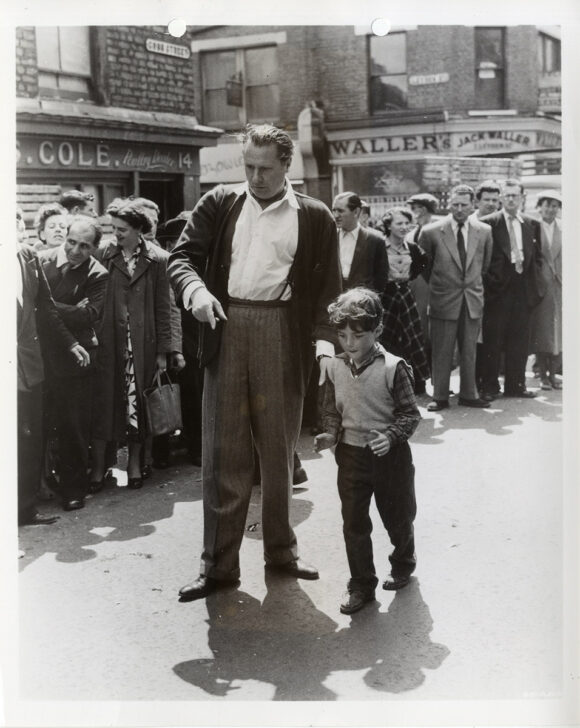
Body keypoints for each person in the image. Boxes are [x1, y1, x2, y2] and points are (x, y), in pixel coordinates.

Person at [168, 123, 342, 601]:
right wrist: (196, 291)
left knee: (279, 447)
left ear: (288, 165)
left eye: (266, 168)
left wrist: (325, 346)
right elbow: (180, 258)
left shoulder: (314, 215)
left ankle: (281, 553)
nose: (256, 177)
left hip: (281, 328)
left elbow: (329, 290)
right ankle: (218, 566)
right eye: (248, 166)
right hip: (225, 325)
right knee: (223, 451)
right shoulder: (220, 202)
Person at [315, 287, 420, 614]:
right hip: (350, 457)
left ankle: (403, 560)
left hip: (390, 458)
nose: (349, 342)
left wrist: (390, 437)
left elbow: (410, 415)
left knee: (397, 516)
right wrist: (330, 434)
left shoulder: (394, 367)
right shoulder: (334, 366)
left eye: (358, 335)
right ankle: (361, 584)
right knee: (353, 522)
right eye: (342, 334)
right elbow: (332, 409)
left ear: (377, 331)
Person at [90, 198, 173, 490]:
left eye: (123, 229)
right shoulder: (104, 255)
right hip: (108, 344)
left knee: (138, 403)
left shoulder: (159, 259)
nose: (117, 234)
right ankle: (99, 469)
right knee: (105, 404)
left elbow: (165, 308)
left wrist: (164, 351)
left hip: (142, 346)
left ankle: (135, 465)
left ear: (139, 229)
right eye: (114, 228)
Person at [17, 216, 90, 526]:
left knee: (31, 434)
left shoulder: (26, 256)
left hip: (32, 360)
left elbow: (45, 305)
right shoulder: (36, 256)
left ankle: (25, 506)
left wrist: (72, 343)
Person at [37, 216, 108, 511]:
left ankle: (73, 490)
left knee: (73, 428)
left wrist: (46, 305)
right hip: (41, 355)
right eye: (71, 242)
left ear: (94, 248)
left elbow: (90, 314)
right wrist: (64, 309)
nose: (75, 250)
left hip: (75, 361)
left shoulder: (98, 273)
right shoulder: (40, 261)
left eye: (84, 246)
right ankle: (32, 490)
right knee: (37, 426)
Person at [418, 184, 493, 411]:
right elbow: (424, 267)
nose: (459, 209)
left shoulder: (484, 231)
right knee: (442, 349)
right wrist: (443, 284)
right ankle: (440, 396)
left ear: (472, 205)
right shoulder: (431, 231)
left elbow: (484, 265)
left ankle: (469, 394)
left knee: (469, 349)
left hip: (471, 298)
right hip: (443, 297)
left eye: (464, 205)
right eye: (455, 204)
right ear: (449, 203)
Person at [480, 179, 544, 400]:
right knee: (493, 339)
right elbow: (483, 259)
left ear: (522, 198)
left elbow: (538, 258)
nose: (510, 199)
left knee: (519, 339)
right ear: (501, 198)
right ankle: (489, 387)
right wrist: (491, 284)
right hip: (497, 291)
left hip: (523, 290)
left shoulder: (531, 223)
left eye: (514, 195)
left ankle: (516, 385)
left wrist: (536, 288)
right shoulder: (488, 222)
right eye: (506, 195)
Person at [379, 206, 430, 393]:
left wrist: (408, 278)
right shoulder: (380, 245)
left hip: (405, 295)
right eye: (399, 223)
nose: (404, 227)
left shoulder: (413, 248)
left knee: (412, 336)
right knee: (386, 337)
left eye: (407, 223)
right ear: (388, 226)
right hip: (387, 297)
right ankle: (387, 383)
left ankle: (417, 381)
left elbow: (422, 263)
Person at [529, 190, 562, 390]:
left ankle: (553, 374)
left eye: (554, 205)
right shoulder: (533, 227)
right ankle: (542, 374)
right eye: (546, 205)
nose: (550, 209)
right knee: (543, 331)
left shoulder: (565, 228)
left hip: (560, 286)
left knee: (559, 331)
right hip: (541, 286)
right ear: (539, 207)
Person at [406, 193, 438, 393]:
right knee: (417, 331)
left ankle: (435, 378)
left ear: (423, 208)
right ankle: (420, 378)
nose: (413, 212)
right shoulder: (412, 232)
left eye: (415, 207)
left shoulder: (436, 228)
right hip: (415, 286)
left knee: (432, 333)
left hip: (432, 285)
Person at [332, 191, 388, 293]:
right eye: (334, 210)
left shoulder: (375, 240)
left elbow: (381, 278)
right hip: (333, 303)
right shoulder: (329, 238)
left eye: (340, 211)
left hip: (362, 302)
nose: (335, 215)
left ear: (356, 212)